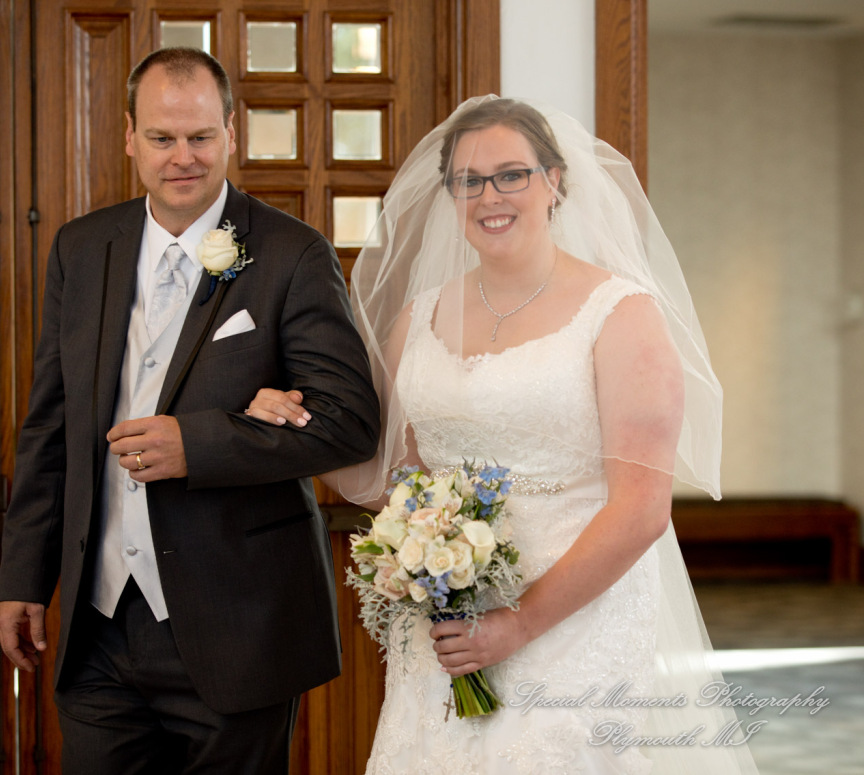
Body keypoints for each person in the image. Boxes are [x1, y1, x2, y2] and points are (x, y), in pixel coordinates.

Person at [248, 98, 759, 773]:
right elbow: (383, 476)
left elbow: (641, 508)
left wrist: (517, 625)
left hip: (577, 616)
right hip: (452, 615)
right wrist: (302, 421)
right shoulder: (419, 317)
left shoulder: (621, 313)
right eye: (468, 180)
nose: (490, 195)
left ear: (555, 181)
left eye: (511, 174)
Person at [0, 46, 380, 775]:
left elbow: (349, 419)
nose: (184, 157)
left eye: (202, 136)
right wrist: (22, 576)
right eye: (163, 138)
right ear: (130, 137)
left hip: (237, 625)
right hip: (100, 625)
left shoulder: (289, 253)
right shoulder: (83, 248)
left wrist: (197, 442)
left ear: (231, 134)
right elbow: (52, 426)